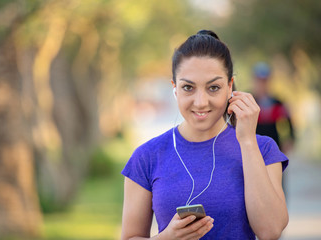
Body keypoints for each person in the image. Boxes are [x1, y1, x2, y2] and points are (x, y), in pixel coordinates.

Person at [121, 30, 289, 240]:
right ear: (175, 89)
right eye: (188, 87)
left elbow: (270, 231)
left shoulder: (262, 148)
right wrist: (167, 238)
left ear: (230, 87)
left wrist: (246, 141)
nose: (200, 102)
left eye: (213, 87)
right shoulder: (146, 156)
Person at [252, 62, 295, 154]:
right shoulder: (249, 100)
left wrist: (290, 139)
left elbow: (289, 121)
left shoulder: (278, 103)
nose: (262, 84)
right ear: (254, 81)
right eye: (259, 81)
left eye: (264, 81)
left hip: (274, 148)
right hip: (253, 148)